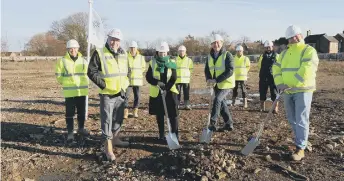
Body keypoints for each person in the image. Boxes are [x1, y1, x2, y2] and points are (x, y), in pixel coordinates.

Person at [272, 25, 319, 161]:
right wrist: (280, 83)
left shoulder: (308, 51)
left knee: (301, 119)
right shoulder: (285, 53)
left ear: (301, 35)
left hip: (303, 90)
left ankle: (300, 148)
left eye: (297, 35)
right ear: (289, 39)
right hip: (287, 91)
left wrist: (290, 83)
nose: (295, 38)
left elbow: (307, 70)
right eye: (292, 37)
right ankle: (302, 139)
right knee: (292, 119)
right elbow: (276, 68)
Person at [87, 28, 129, 161]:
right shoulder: (99, 53)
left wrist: (126, 82)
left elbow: (128, 71)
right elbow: (91, 72)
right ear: (108, 39)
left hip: (121, 92)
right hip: (107, 94)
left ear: (120, 41)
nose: (114, 42)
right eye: (112, 39)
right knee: (107, 121)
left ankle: (116, 138)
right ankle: (108, 147)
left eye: (116, 40)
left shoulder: (124, 54)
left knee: (119, 118)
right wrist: (104, 85)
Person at [55, 39, 90, 142]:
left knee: (81, 112)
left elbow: (88, 74)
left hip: (81, 91)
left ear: (78, 48)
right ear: (68, 49)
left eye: (75, 48)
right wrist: (65, 82)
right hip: (69, 92)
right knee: (69, 113)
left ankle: (81, 128)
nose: (73, 50)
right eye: (71, 48)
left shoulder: (83, 60)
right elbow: (58, 75)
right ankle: (70, 132)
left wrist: (86, 83)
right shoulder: (62, 61)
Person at [146, 42, 179, 141]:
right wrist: (157, 83)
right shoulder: (153, 62)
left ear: (167, 52)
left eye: (164, 52)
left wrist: (166, 88)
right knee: (159, 114)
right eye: (160, 53)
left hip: (170, 92)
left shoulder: (172, 62)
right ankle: (161, 134)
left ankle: (174, 134)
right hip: (157, 93)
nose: (162, 54)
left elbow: (174, 77)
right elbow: (148, 77)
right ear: (157, 52)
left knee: (173, 114)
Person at [205, 34, 235, 132]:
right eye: (213, 43)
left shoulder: (227, 55)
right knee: (222, 104)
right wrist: (208, 79)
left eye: (218, 42)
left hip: (226, 83)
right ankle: (229, 123)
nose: (216, 44)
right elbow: (207, 70)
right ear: (211, 44)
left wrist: (216, 80)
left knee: (217, 99)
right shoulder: (209, 56)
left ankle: (213, 122)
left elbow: (230, 70)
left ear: (221, 43)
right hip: (216, 84)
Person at [124, 41, 146, 118]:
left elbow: (143, 67)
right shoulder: (126, 56)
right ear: (129, 48)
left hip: (137, 80)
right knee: (126, 96)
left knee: (137, 96)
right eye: (131, 47)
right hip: (128, 80)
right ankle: (125, 111)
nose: (133, 49)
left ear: (136, 48)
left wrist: (138, 73)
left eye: (134, 47)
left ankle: (135, 111)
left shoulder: (141, 57)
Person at [258, 40, 279, 113]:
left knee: (274, 93)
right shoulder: (262, 56)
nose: (268, 49)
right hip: (263, 77)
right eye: (266, 47)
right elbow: (259, 66)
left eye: (269, 47)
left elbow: (280, 66)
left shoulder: (276, 56)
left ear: (272, 47)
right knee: (262, 92)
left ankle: (275, 108)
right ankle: (261, 107)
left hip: (273, 77)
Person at [175, 45, 193, 110]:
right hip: (177, 80)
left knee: (186, 93)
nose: (181, 52)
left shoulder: (189, 60)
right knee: (177, 93)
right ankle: (177, 105)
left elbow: (191, 69)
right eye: (180, 51)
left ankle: (187, 105)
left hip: (186, 80)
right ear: (178, 52)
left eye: (183, 51)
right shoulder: (175, 60)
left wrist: (187, 75)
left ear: (185, 52)